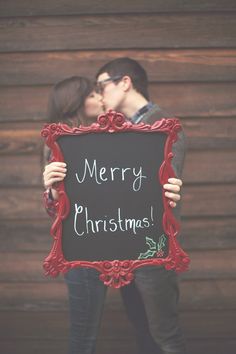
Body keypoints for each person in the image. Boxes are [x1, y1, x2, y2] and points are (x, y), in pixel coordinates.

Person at [43, 69, 185, 354]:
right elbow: (55, 209)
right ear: (78, 104)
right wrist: (52, 191)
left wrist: (168, 190)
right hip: (84, 249)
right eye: (94, 94)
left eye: (100, 90)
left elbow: (142, 183)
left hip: (129, 243)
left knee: (147, 326)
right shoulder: (60, 146)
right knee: (84, 336)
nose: (100, 97)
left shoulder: (119, 136)